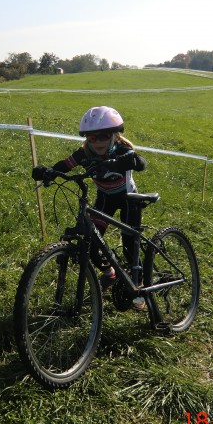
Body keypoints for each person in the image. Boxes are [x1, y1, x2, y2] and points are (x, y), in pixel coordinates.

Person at [32, 106, 147, 308]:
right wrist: (48, 171)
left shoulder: (123, 150)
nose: (98, 142)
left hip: (129, 199)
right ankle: (110, 273)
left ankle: (138, 282)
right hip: (105, 198)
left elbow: (139, 162)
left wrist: (125, 162)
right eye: (92, 138)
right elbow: (65, 165)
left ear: (114, 135)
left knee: (130, 242)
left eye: (103, 136)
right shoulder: (84, 153)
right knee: (90, 241)